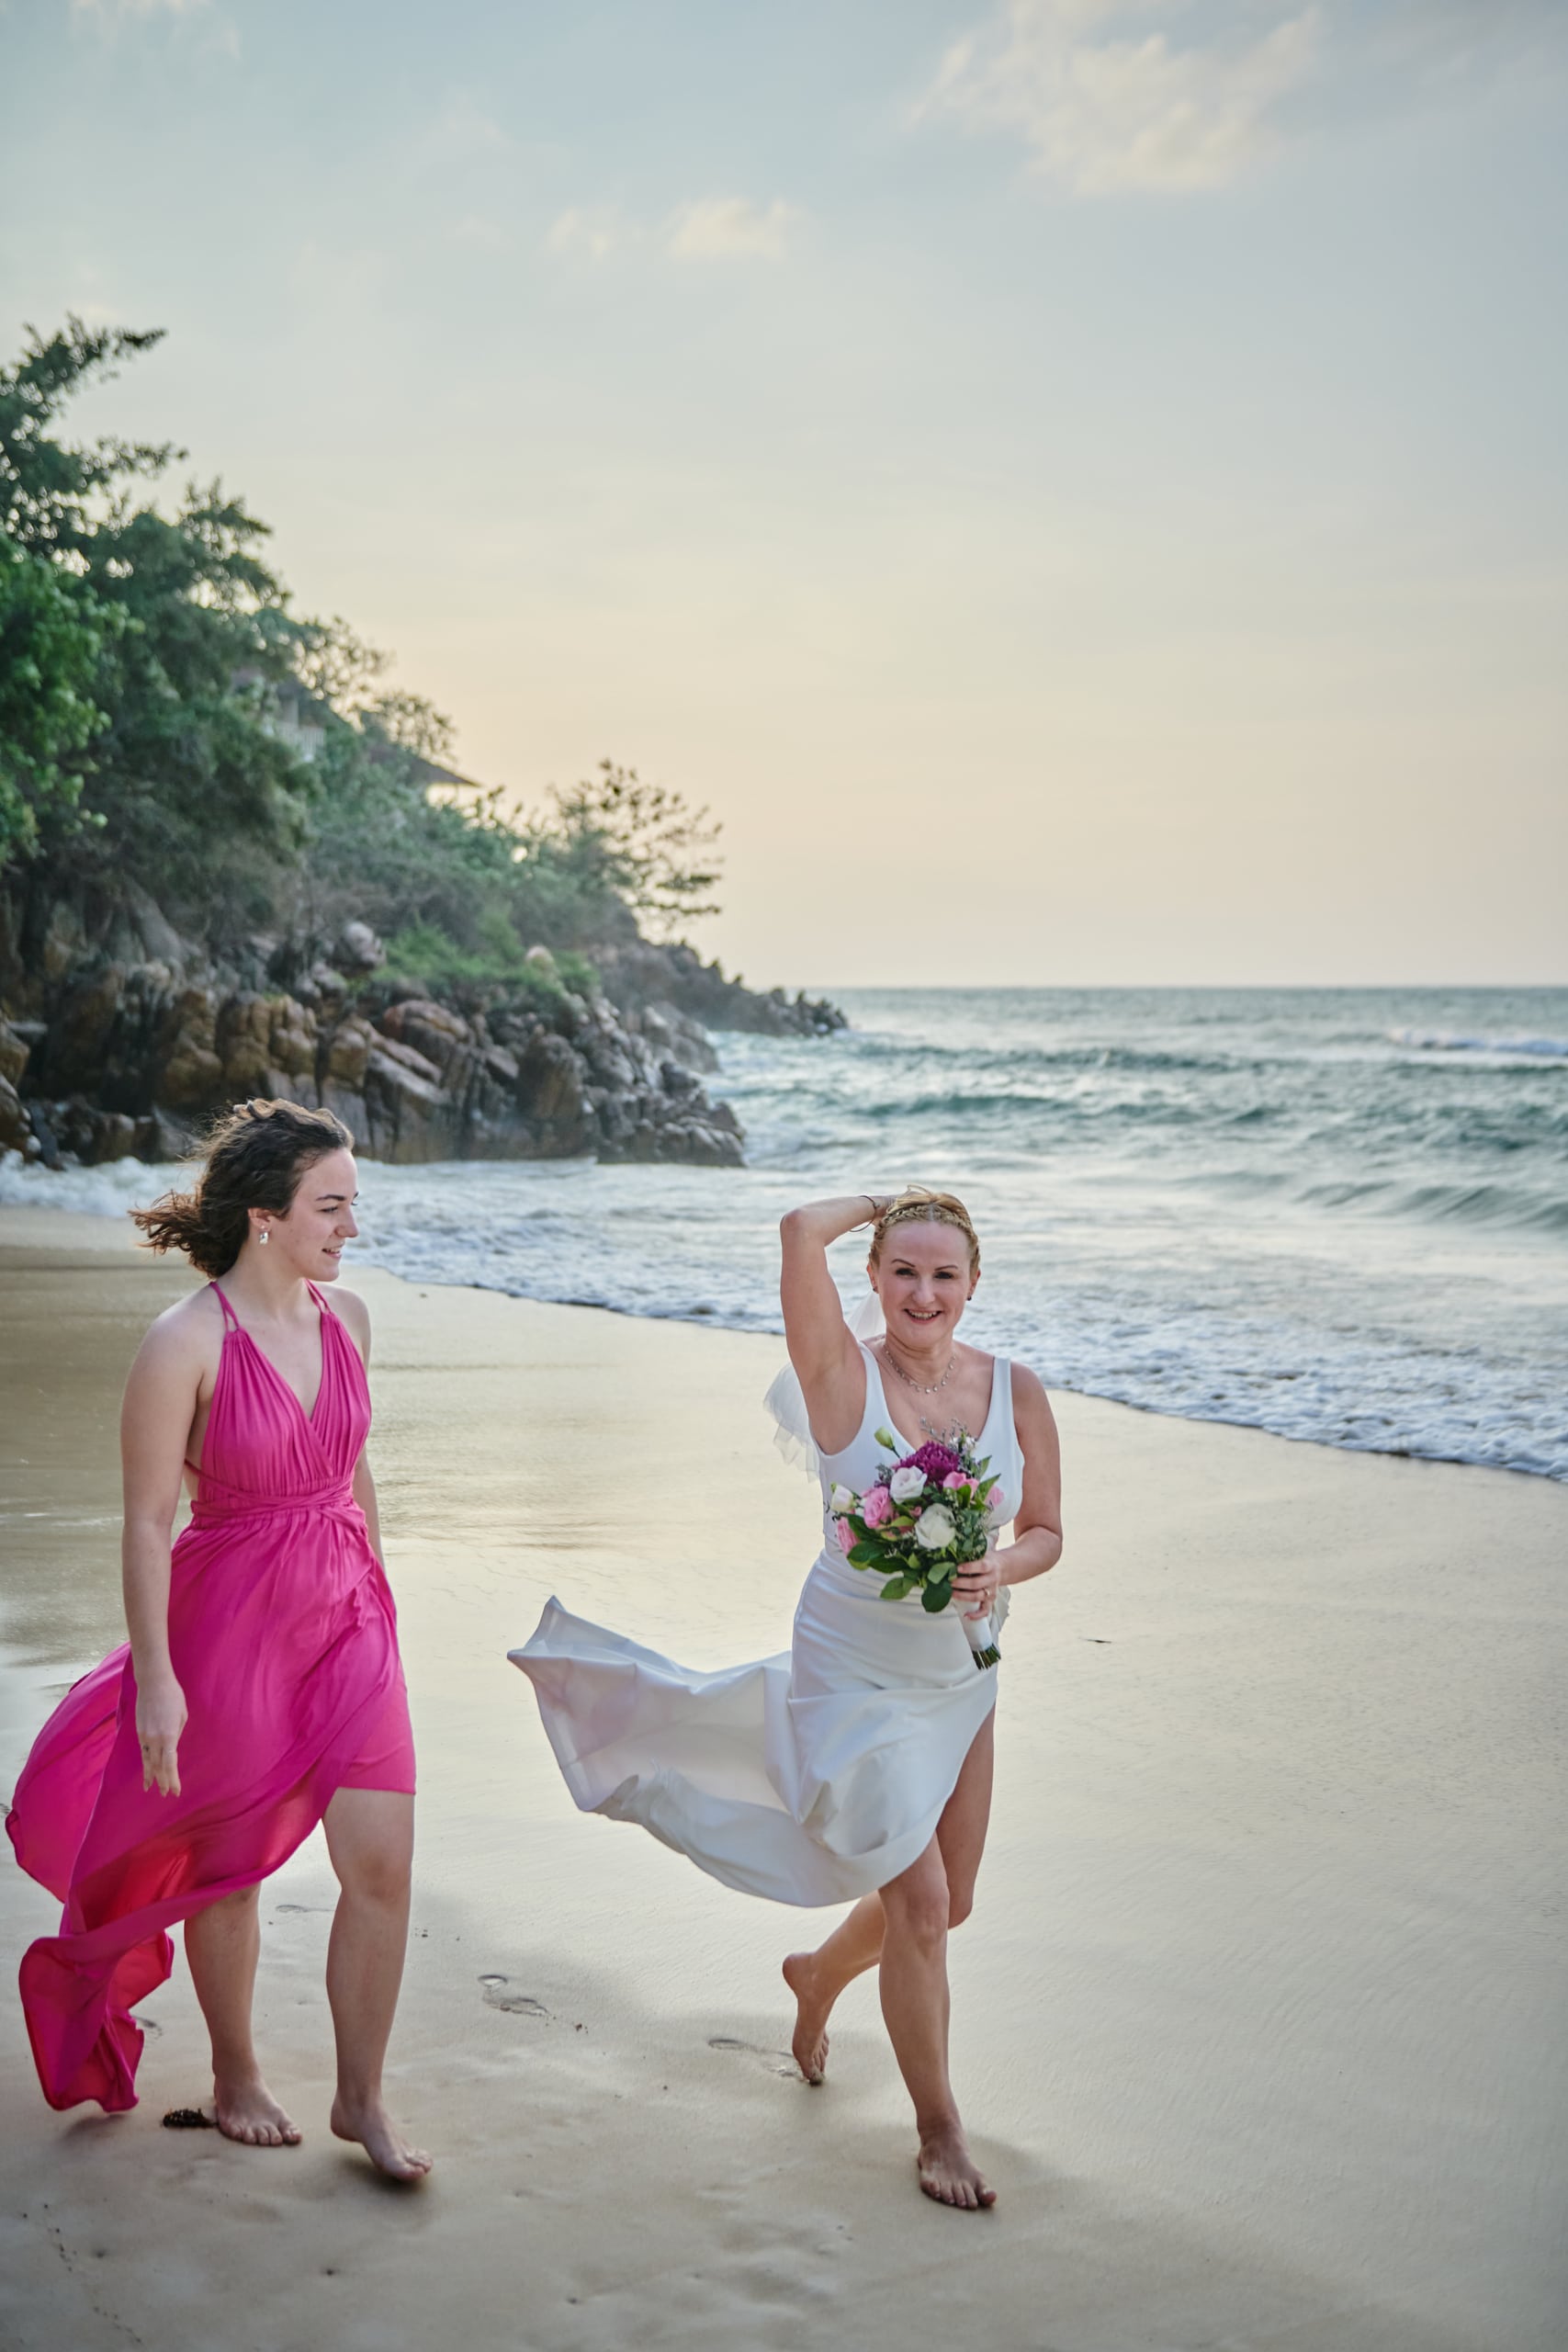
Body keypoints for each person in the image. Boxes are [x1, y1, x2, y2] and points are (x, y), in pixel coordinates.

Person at [513, 1186, 1062, 2209]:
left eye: (946, 1274)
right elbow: (796, 1231)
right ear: (873, 1277)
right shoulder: (836, 1375)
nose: (924, 1291)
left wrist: (1003, 1567)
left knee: (956, 1899)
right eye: (904, 1269)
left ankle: (816, 1975)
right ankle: (939, 2128)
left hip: (964, 1669)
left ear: (976, 1283)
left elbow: (1046, 1530)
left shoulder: (1018, 1389)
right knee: (927, 1906)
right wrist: (883, 1204)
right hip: (850, 1671)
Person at [6, 1099, 430, 2181]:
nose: (351, 1227)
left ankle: (361, 2098)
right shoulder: (182, 1343)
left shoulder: (353, 1321)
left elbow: (353, 1467)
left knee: (381, 1861)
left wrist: (379, 1589)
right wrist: (155, 1680)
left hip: (347, 1618)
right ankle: (236, 2070)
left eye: (353, 1205)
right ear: (264, 1217)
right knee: (228, 1869)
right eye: (330, 1207)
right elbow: (148, 1519)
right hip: (228, 1628)